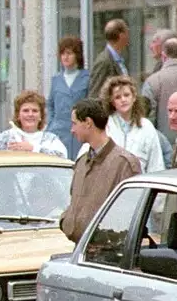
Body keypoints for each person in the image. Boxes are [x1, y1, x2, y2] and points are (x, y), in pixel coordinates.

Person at [60, 98, 141, 243]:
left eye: (74, 123)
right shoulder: (82, 162)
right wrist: (67, 221)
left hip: (108, 256)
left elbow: (130, 216)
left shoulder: (125, 164)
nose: (72, 130)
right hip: (81, 251)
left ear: (88, 123)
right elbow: (74, 202)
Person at [100, 75, 165, 173]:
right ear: (112, 102)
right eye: (118, 97)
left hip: (140, 184)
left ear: (134, 97)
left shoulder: (146, 127)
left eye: (126, 95)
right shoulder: (105, 126)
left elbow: (156, 164)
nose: (123, 100)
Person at [45, 36, 89, 159]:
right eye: (63, 53)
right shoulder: (56, 80)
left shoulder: (87, 78)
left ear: (77, 55)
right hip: (58, 131)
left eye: (69, 53)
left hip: (79, 131)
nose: (65, 57)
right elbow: (50, 104)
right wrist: (51, 124)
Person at [0, 90, 68, 157]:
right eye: (25, 110)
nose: (30, 114)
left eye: (35, 111)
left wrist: (33, 148)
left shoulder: (50, 139)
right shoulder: (6, 137)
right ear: (18, 115)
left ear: (41, 116)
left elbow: (62, 156)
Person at [88, 18, 131, 101]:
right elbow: (95, 94)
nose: (128, 36)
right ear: (121, 35)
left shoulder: (118, 59)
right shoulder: (104, 61)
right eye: (127, 32)